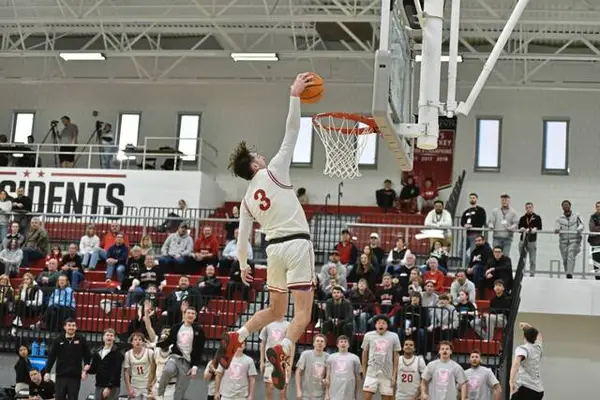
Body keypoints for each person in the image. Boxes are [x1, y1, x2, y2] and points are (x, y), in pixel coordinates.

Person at [217, 73, 316, 391]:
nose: (261, 155)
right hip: (297, 245)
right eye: (257, 155)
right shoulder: (274, 170)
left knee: (276, 310)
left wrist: (243, 264)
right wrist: (294, 95)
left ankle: (240, 334)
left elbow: (241, 240)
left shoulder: (246, 201)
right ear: (255, 165)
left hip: (273, 251)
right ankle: (283, 348)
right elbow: (292, 130)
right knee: (303, 314)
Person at [156, 307, 205, 400]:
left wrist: (195, 366)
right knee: (167, 370)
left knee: (181, 387)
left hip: (187, 361)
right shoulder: (176, 327)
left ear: (195, 316)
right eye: (188, 313)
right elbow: (168, 341)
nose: (190, 315)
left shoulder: (199, 330)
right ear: (184, 314)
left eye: (193, 313)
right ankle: (159, 393)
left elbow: (199, 349)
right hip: (175, 356)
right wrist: (156, 345)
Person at [42, 318, 92, 400]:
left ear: (76, 327)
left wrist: (85, 370)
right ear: (64, 327)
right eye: (69, 325)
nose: (71, 327)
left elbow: (87, 355)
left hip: (75, 376)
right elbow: (51, 357)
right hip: (60, 376)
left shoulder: (81, 339)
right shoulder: (58, 340)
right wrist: (47, 372)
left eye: (73, 325)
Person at [361, 315, 401, 400]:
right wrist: (364, 372)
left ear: (387, 325)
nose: (381, 324)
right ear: (375, 325)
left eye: (383, 323)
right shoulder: (368, 335)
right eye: (379, 323)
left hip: (387, 374)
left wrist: (394, 375)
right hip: (372, 373)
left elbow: (396, 357)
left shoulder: (394, 336)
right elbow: (364, 354)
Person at [87, 328, 124, 400]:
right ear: (103, 337)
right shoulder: (97, 352)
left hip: (112, 387)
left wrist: (109, 387)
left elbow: (116, 372)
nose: (109, 337)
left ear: (114, 338)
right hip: (99, 385)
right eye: (107, 335)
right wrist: (86, 370)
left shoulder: (118, 353)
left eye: (111, 335)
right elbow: (94, 370)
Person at [510, 322, 544, 400]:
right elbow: (539, 335)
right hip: (539, 391)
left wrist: (511, 381)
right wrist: (527, 326)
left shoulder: (523, 349)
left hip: (527, 389)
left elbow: (516, 364)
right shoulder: (538, 347)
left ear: (524, 336)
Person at [259, 318, 290, 400]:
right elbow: (262, 343)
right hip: (270, 362)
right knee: (269, 388)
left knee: (282, 392)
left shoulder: (288, 325)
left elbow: (291, 345)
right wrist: (262, 361)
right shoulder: (267, 323)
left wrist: (289, 364)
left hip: (283, 363)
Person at [325, 335, 361, 400]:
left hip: (349, 393)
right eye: (341, 342)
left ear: (348, 345)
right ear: (337, 345)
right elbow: (327, 378)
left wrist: (356, 394)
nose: (343, 343)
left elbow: (358, 377)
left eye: (345, 342)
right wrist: (327, 394)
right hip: (333, 392)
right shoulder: (331, 357)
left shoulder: (355, 358)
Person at [295, 334, 328, 400]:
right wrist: (298, 390)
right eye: (317, 341)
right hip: (306, 394)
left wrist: (327, 394)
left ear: (325, 345)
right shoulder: (305, 354)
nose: (319, 343)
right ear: (313, 343)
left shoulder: (328, 357)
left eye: (322, 341)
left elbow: (328, 377)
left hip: (321, 394)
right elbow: (298, 372)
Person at [124, 332, 155, 400]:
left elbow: (154, 369)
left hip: (147, 384)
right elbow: (126, 372)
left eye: (140, 339)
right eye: (135, 339)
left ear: (143, 342)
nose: (137, 341)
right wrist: (129, 387)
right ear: (131, 342)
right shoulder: (128, 354)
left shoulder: (149, 352)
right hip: (135, 384)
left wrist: (153, 384)